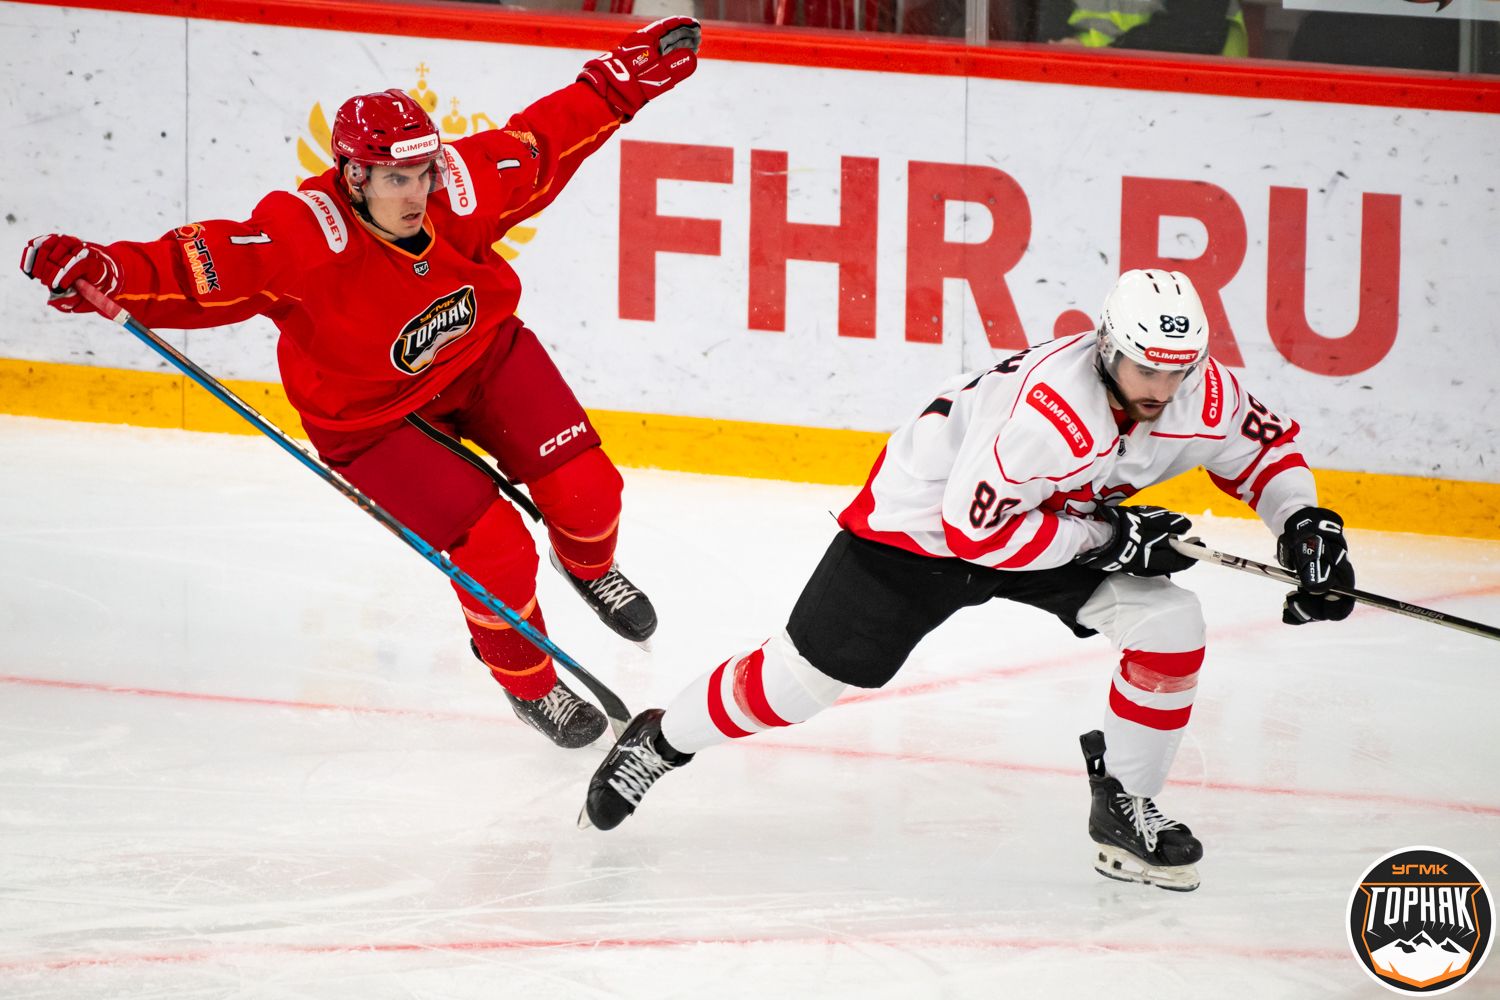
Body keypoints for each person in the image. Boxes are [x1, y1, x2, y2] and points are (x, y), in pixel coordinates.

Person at [19, 17, 703, 751]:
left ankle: (589, 568)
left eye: (424, 173)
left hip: (482, 357)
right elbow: (194, 268)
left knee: (590, 492)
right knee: (497, 553)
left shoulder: (459, 188)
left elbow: (542, 143)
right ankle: (529, 683)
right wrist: (108, 270)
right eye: (396, 180)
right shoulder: (300, 238)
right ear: (353, 177)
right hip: (371, 419)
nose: (417, 193)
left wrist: (618, 84)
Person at [580, 269, 1355, 892]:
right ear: (1106, 348)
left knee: (1169, 621)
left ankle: (1127, 803)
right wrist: (1112, 537)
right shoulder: (1048, 414)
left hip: (1051, 521)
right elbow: (975, 534)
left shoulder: (1200, 390)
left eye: (1177, 370)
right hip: (922, 531)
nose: (1161, 386)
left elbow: (1263, 451)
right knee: (797, 683)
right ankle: (662, 742)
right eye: (1145, 367)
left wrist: (1305, 524)